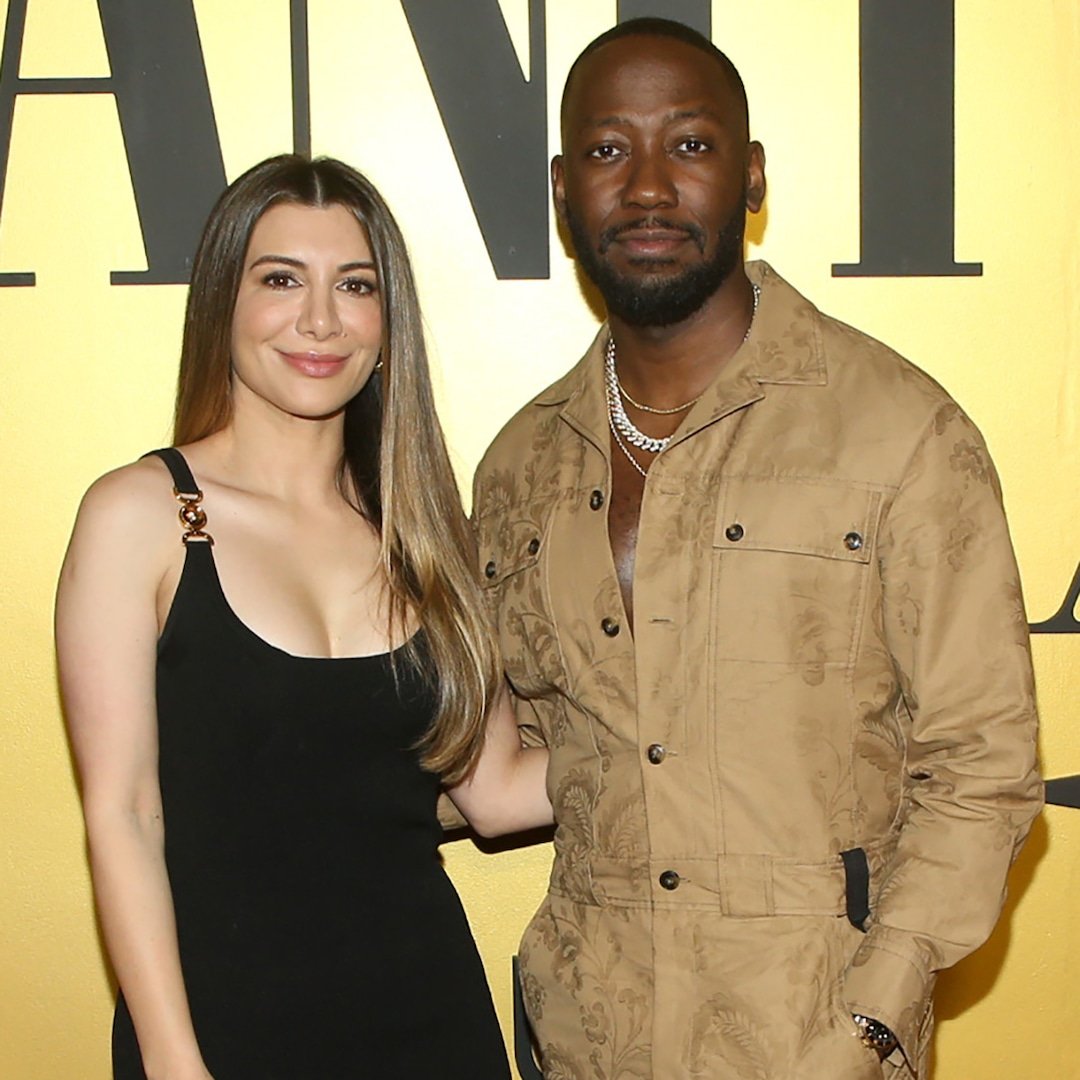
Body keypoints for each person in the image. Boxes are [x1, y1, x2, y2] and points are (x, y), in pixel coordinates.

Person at [473, 18, 1041, 1080]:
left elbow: (984, 767)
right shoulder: (518, 467)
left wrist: (873, 1019)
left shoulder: (898, 431)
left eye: (689, 145)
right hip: (588, 1041)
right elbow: (533, 758)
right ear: (561, 188)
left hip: (816, 1045)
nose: (647, 186)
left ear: (753, 175)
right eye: (607, 149)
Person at [56, 154, 551, 1080]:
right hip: (220, 1029)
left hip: (430, 1020)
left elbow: (496, 794)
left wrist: (680, 731)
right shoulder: (142, 516)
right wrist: (172, 1059)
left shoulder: (425, 534)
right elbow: (124, 814)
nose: (320, 320)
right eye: (281, 280)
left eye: (354, 286)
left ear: (387, 323)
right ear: (224, 303)